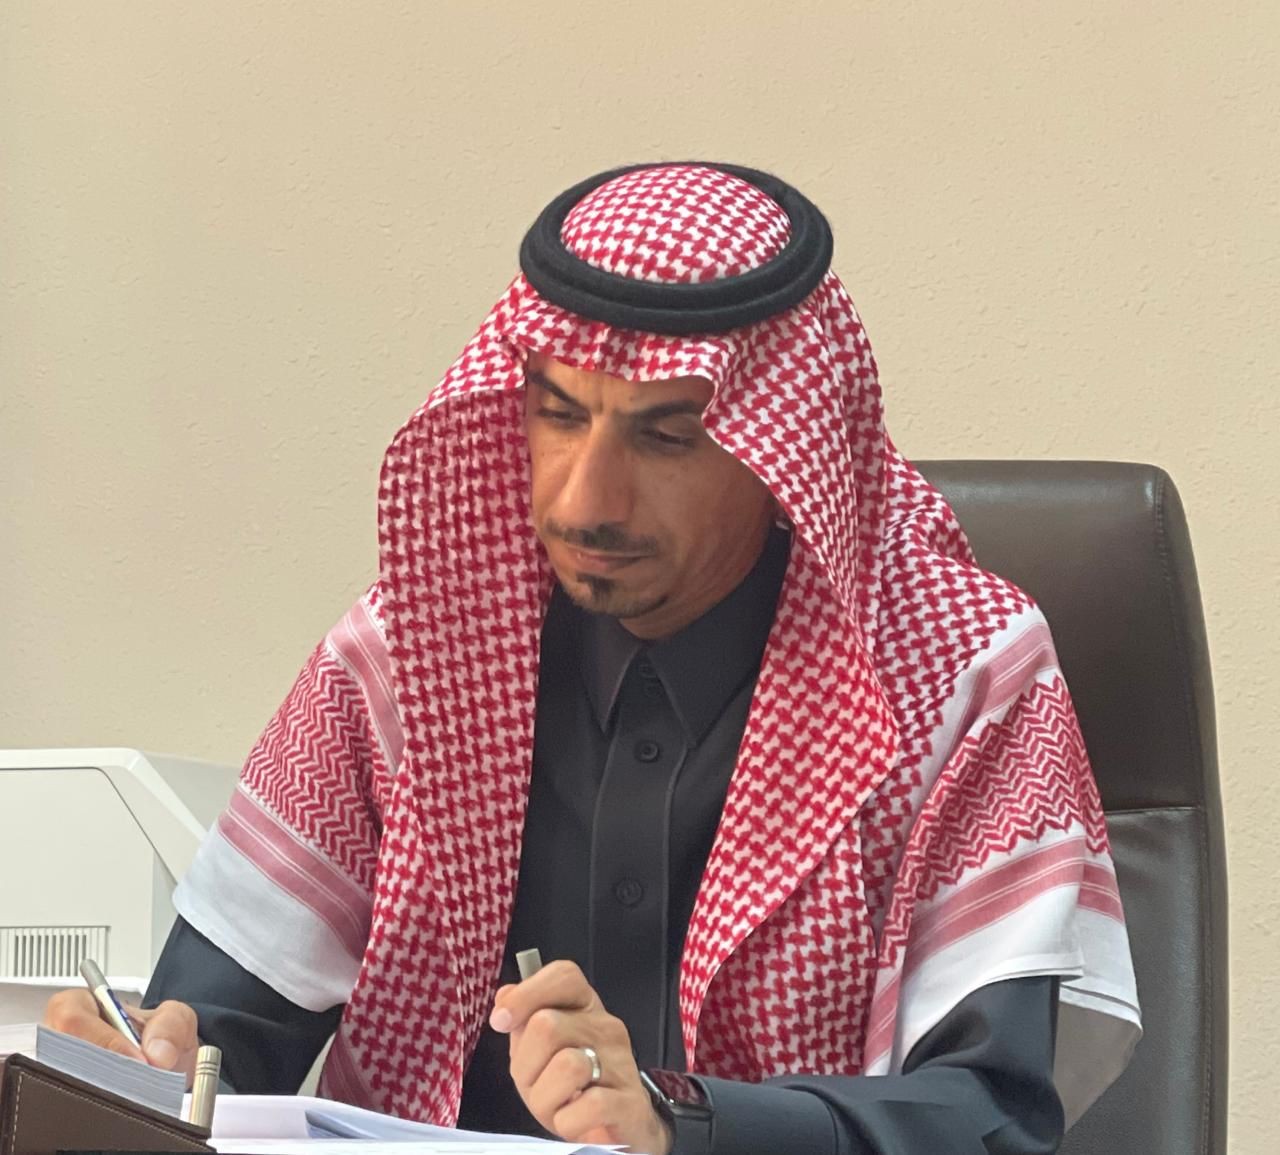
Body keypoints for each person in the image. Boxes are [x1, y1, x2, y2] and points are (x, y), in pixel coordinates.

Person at [47, 163, 1140, 1154]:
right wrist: (147, 1059)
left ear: (779, 453)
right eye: (558, 416)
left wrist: (680, 1121)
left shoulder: (957, 673)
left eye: (664, 436)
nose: (582, 499)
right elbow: (220, 1034)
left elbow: (987, 1115)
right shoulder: (409, 650)